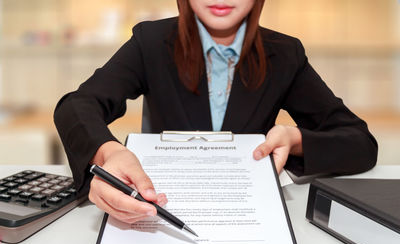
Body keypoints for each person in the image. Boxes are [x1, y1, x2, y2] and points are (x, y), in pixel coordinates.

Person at [54, 0, 378, 224]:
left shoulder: (284, 53)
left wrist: (294, 139)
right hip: (161, 207)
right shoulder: (150, 41)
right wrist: (108, 152)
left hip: (245, 212)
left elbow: (359, 142)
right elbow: (78, 105)